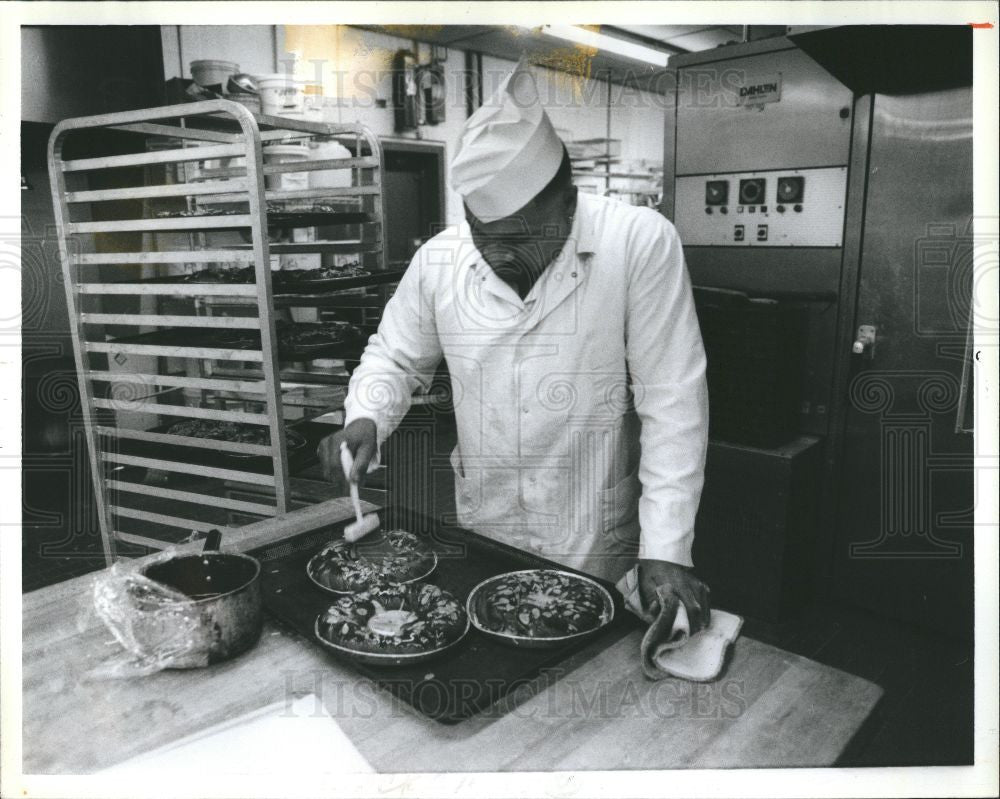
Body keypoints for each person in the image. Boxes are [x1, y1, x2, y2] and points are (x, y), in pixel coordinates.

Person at [318, 60, 711, 631]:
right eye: (485, 238)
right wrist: (366, 417)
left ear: (567, 202)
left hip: (594, 528)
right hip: (489, 521)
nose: (501, 257)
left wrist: (668, 546)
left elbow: (672, 399)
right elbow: (395, 357)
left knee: (592, 662)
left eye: (522, 240)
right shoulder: (442, 260)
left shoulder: (638, 243)